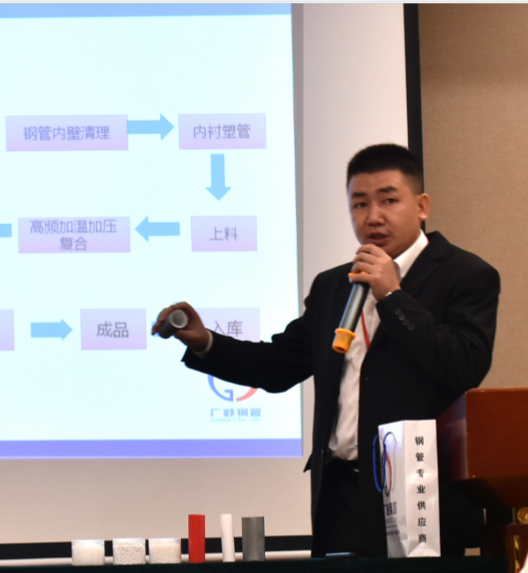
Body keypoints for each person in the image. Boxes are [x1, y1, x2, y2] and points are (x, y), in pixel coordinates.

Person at [152, 144, 500, 557]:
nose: (373, 216)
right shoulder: (334, 285)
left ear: (422, 206)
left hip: (421, 498)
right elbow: (277, 366)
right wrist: (205, 341)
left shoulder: (466, 275)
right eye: (360, 203)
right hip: (341, 497)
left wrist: (393, 296)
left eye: (389, 200)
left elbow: (464, 366)